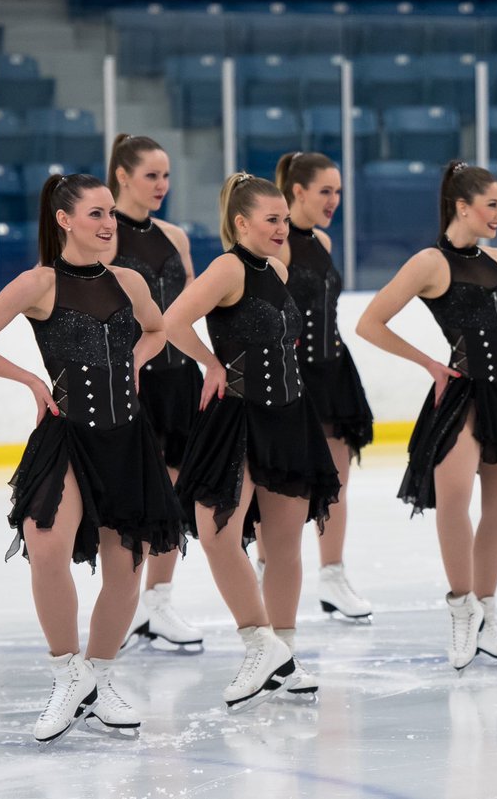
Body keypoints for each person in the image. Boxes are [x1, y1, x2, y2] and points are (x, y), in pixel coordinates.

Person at [0, 173, 185, 744]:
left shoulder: (129, 281)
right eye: (97, 215)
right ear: (64, 220)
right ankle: (66, 674)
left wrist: (134, 358)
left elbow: (160, 328)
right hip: (66, 435)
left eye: (111, 214)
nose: (109, 225)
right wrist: (31, 379)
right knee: (45, 540)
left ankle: (99, 679)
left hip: (127, 436)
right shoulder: (38, 283)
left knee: (125, 562)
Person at [356, 161, 497, 671]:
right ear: (462, 206)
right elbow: (369, 323)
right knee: (453, 496)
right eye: (492, 205)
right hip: (462, 392)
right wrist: (430, 363)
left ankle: (486, 612)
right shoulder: (429, 263)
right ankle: (461, 607)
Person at [164, 173, 340, 712]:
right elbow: (172, 321)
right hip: (237, 417)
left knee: (283, 547)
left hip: (288, 415)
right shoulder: (227, 267)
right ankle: (258, 642)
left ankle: (283, 655)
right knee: (217, 531)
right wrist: (211, 363)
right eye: (272, 219)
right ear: (242, 223)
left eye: (285, 218)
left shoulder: (279, 267)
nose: (283, 228)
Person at [254, 151, 376, 620]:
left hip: (332, 371)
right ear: (297, 191)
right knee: (279, 484)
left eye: (338, 191)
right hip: (291, 375)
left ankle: (332, 576)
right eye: (325, 190)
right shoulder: (277, 246)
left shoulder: (322, 240)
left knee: (336, 482)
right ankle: (269, 573)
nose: (334, 200)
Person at [105, 133, 205, 651]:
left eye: (167, 175)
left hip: (179, 379)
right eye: (152, 175)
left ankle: (158, 603)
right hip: (130, 381)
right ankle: (117, 608)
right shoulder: (103, 234)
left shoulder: (174, 236)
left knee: (174, 494)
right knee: (130, 497)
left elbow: (186, 310)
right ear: (123, 176)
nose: (163, 185)